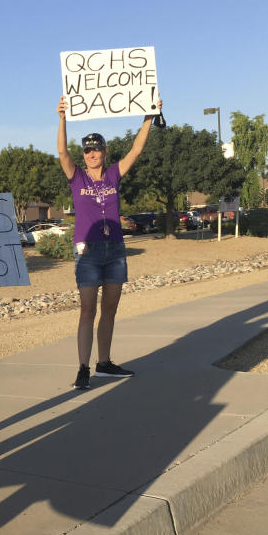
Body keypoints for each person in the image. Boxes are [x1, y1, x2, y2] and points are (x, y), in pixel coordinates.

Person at [56, 95, 162, 389]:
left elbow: (137, 150)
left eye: (96, 149)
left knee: (110, 309)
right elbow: (62, 152)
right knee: (87, 309)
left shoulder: (114, 174)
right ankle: (82, 368)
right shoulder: (77, 178)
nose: (91, 154)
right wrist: (62, 117)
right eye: (87, 150)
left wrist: (148, 117)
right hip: (87, 252)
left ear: (104, 151)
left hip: (114, 250)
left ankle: (104, 363)